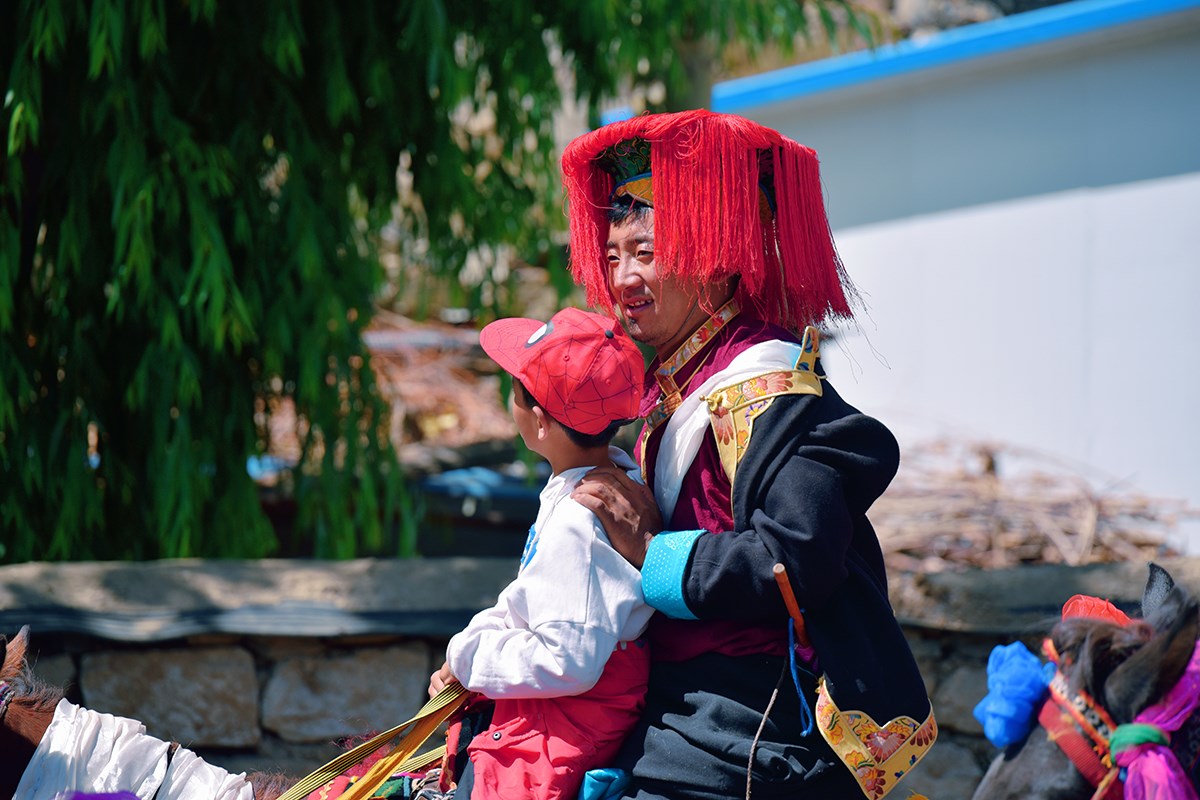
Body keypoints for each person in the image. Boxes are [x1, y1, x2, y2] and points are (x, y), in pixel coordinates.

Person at [563, 110, 937, 799]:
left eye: (644, 252)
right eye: (612, 255)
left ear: (713, 257)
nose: (621, 279)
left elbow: (797, 556)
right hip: (670, 708)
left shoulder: (764, 387)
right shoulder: (678, 385)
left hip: (747, 730)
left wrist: (656, 554)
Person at [426, 306, 655, 800]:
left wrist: (469, 660)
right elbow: (534, 599)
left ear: (541, 420)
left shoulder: (578, 520)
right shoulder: (611, 481)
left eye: (516, 392)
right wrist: (474, 642)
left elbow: (567, 660)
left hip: (556, 739)